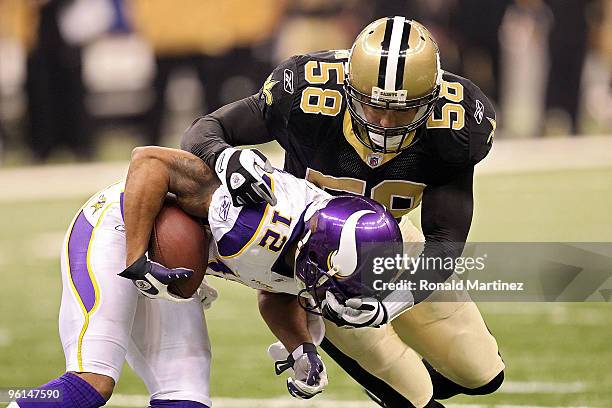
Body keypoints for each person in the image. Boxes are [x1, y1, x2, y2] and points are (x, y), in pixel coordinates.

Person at [181, 16, 504, 407]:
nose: (384, 122)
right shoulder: (306, 91)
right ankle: (384, 376)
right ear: (350, 88)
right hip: (323, 268)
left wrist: (390, 303)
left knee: (483, 376)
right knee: (417, 398)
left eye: (402, 111)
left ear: (432, 100)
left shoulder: (457, 124)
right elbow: (206, 128)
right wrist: (224, 158)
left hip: (396, 247)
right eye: (372, 106)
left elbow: (445, 243)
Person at [10, 144, 406, 407]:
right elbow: (149, 161)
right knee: (93, 381)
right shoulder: (257, 215)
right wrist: (137, 260)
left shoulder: (315, 246)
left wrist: (301, 345)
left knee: (186, 397)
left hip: (172, 271)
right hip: (119, 226)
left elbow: (276, 289)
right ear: (322, 255)